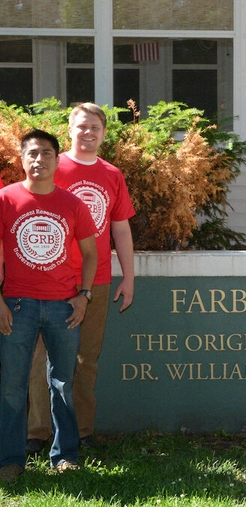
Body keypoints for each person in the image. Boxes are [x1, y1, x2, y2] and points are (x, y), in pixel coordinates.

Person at [27, 103, 135, 452]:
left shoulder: (112, 175)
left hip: (98, 280)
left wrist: (129, 276)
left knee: (85, 360)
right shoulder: (52, 168)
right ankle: (37, 434)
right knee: (39, 359)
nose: (88, 133)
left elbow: (120, 228)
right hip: (48, 280)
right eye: (82, 126)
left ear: (104, 133)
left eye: (96, 128)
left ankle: (81, 432)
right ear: (69, 130)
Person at [0, 130, 97, 483]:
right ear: (22, 160)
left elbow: (91, 254)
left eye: (46, 153)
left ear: (58, 159)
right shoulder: (5, 199)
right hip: (17, 305)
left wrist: (84, 295)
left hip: (63, 307)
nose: (39, 159)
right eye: (32, 154)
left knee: (62, 383)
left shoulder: (72, 203)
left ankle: (66, 455)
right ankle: (9, 460)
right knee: (12, 385)